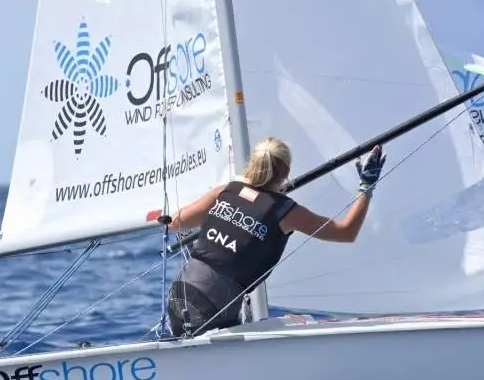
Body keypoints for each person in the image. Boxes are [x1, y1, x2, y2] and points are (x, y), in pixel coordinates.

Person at [165, 136, 385, 337]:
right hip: (212, 306)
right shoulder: (286, 212)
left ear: (252, 164)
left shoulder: (226, 191)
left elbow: (176, 222)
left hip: (179, 293)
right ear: (286, 172)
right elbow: (346, 232)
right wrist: (366, 186)